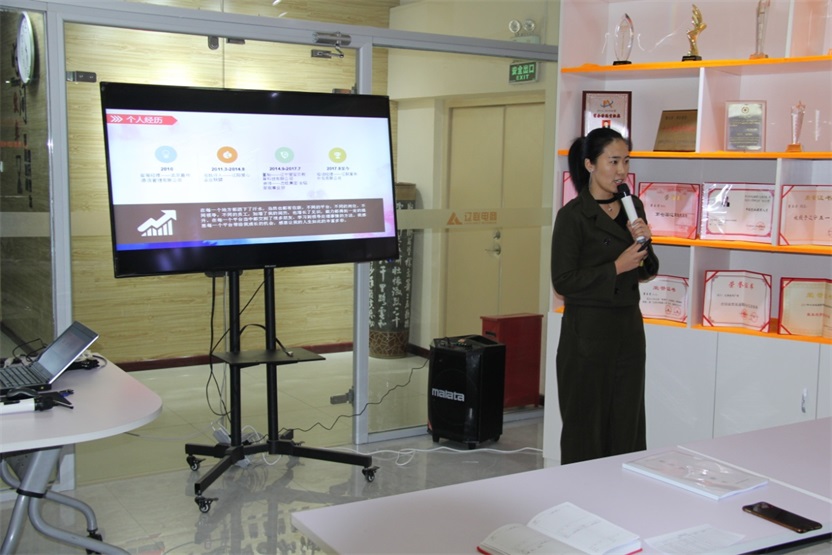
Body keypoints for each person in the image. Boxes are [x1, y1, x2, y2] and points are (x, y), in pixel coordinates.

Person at [551, 127, 659, 465]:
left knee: (627, 420)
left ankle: (623, 490)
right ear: (589, 164)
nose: (621, 171)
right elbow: (563, 281)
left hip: (627, 330)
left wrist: (645, 241)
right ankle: (581, 492)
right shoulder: (572, 216)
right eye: (613, 161)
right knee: (586, 424)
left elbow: (648, 268)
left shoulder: (632, 205)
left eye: (626, 161)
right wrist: (616, 267)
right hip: (587, 333)